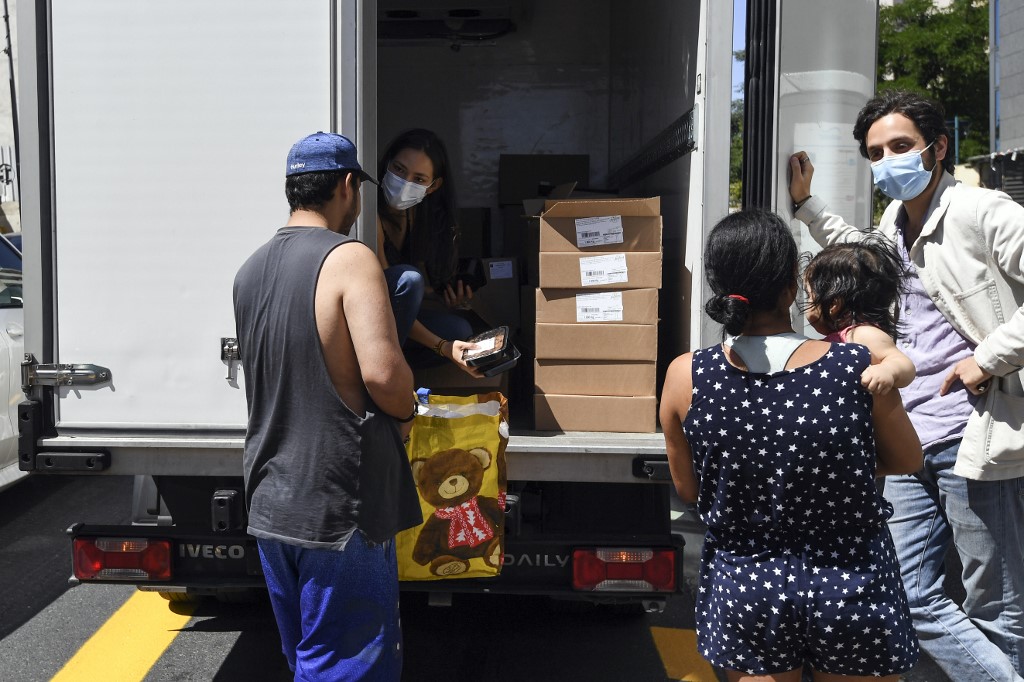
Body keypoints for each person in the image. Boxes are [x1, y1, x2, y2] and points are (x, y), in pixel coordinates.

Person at [790, 89, 1024, 682]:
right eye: (875, 152)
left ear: (938, 148)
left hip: (976, 437)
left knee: (995, 606)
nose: (887, 160)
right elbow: (856, 248)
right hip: (905, 441)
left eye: (900, 146)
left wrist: (990, 358)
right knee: (906, 593)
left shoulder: (984, 211)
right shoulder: (896, 223)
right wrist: (808, 205)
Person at [661, 208, 923, 682]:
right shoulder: (854, 364)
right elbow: (907, 457)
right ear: (791, 288)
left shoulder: (687, 374)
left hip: (746, 584)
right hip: (851, 581)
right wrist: (834, 469)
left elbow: (690, 490)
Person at [233, 131, 423, 680]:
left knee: (307, 660)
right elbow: (383, 373)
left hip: (272, 503)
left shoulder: (249, 271)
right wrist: (409, 415)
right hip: (338, 508)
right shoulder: (349, 259)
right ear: (347, 187)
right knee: (346, 665)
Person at [376, 128, 479, 376]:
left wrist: (443, 297)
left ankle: (397, 368)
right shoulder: (371, 216)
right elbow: (390, 298)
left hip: (396, 322)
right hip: (373, 321)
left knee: (460, 330)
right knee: (409, 278)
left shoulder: (417, 215)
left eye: (418, 179)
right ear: (386, 163)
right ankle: (385, 376)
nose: (404, 183)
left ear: (433, 187)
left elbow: (409, 298)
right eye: (399, 170)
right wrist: (443, 348)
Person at [802, 238, 915, 395]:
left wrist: (888, 370)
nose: (807, 301)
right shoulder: (838, 337)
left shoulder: (862, 334)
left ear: (834, 305)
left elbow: (905, 365)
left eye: (809, 295)